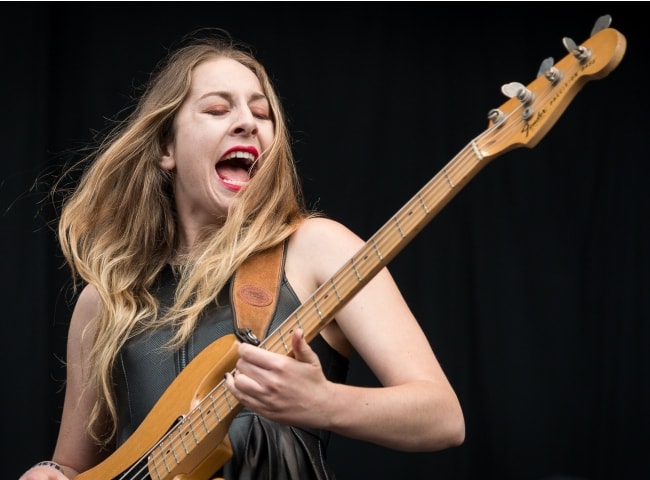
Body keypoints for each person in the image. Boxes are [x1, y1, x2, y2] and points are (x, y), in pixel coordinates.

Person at [19, 28, 465, 480]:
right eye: (216, 108)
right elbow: (76, 465)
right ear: (164, 148)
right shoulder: (105, 300)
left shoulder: (316, 247)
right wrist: (49, 471)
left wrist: (324, 402)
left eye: (261, 113)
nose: (247, 122)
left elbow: (443, 417)